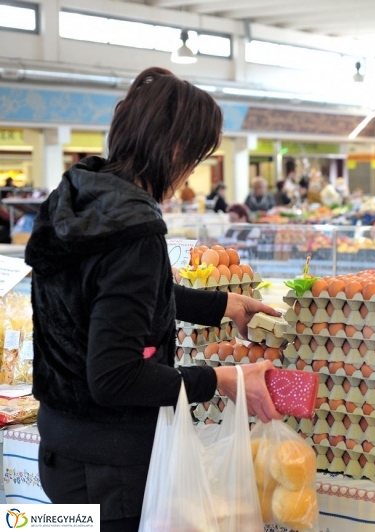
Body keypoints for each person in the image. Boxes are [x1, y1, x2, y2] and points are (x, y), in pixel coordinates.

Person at [23, 67, 282, 532]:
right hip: (111, 470)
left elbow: (111, 298)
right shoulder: (135, 230)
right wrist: (221, 378)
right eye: (196, 160)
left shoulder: (81, 196)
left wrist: (223, 306)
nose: (189, 177)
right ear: (176, 149)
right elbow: (114, 377)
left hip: (61, 448)